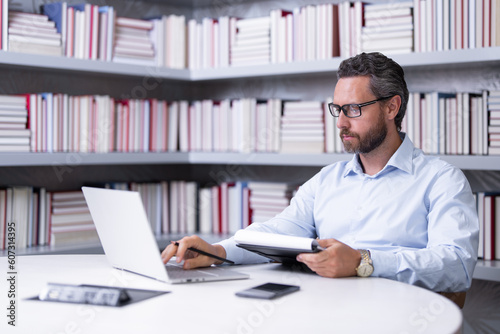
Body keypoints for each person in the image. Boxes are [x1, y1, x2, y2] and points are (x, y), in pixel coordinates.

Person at [161, 52, 479, 293]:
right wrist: (217, 252)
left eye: (353, 109)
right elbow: (278, 232)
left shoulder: (441, 180)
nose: (341, 122)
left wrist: (363, 262)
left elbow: (456, 264)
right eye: (337, 109)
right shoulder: (327, 180)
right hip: (322, 311)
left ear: (391, 108)